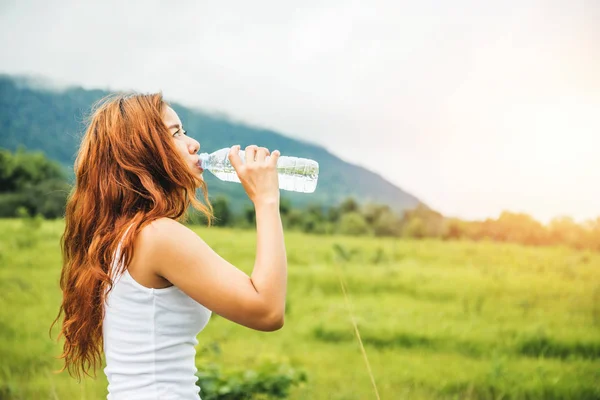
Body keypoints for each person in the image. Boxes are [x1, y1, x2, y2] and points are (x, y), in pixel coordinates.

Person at [52, 93, 287, 399]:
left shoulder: (119, 234)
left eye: (184, 131)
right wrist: (266, 201)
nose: (193, 144)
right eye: (175, 133)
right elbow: (267, 311)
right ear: (142, 151)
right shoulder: (157, 236)